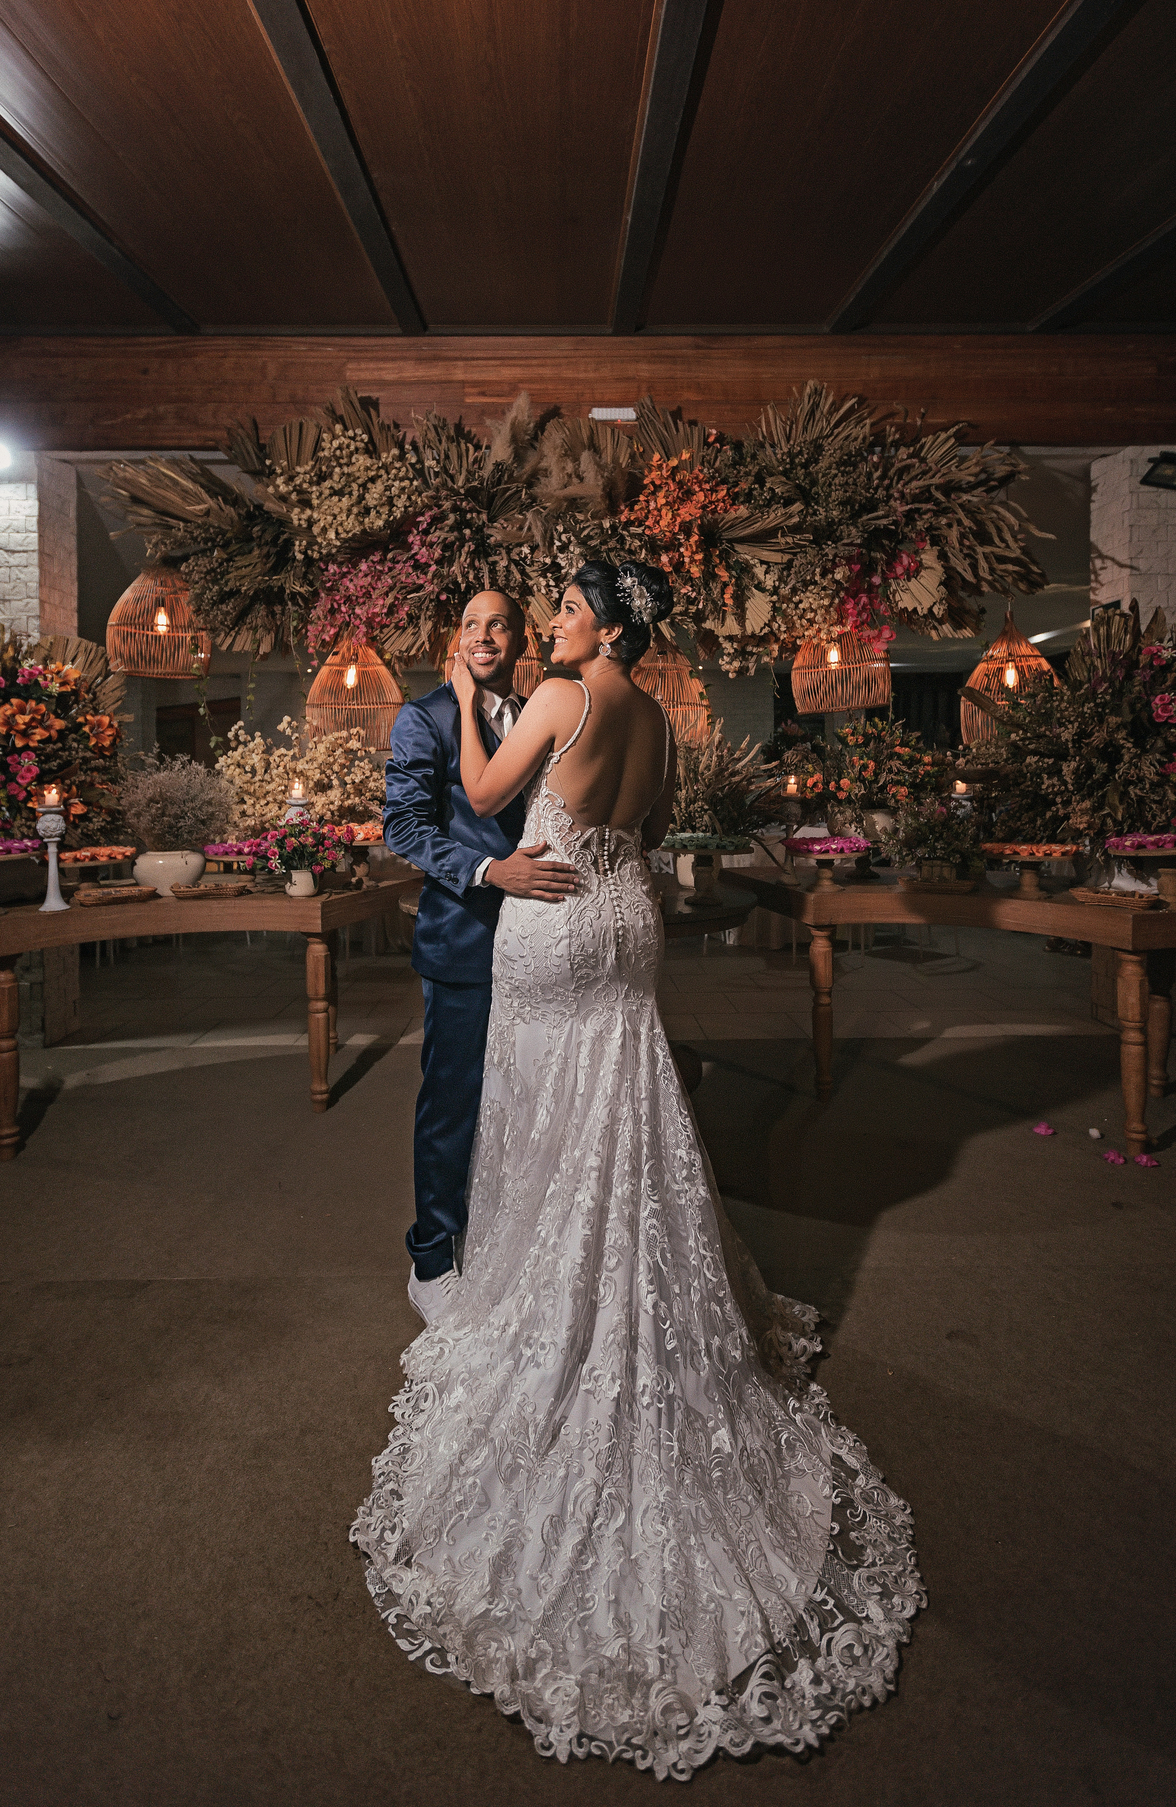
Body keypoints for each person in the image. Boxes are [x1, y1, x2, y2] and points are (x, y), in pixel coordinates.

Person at [354, 562, 924, 1779]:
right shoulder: (658, 715)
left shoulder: (562, 697)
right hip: (623, 918)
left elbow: (480, 790)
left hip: (554, 927)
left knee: (546, 1112)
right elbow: (649, 832)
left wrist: (469, 709)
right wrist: (586, 838)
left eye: (565, 609)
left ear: (606, 626)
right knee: (625, 1097)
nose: (548, 624)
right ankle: (621, 1263)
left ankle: (547, 1297)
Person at [381, 589, 579, 1323]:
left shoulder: (541, 711)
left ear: (523, 639)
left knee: (527, 1098)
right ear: (457, 639)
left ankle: (505, 1244)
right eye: (471, 624)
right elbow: (403, 827)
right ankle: (432, 1257)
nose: (483, 635)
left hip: (540, 939)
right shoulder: (425, 717)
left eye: (498, 624)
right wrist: (491, 871)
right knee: (453, 1103)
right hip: (462, 939)